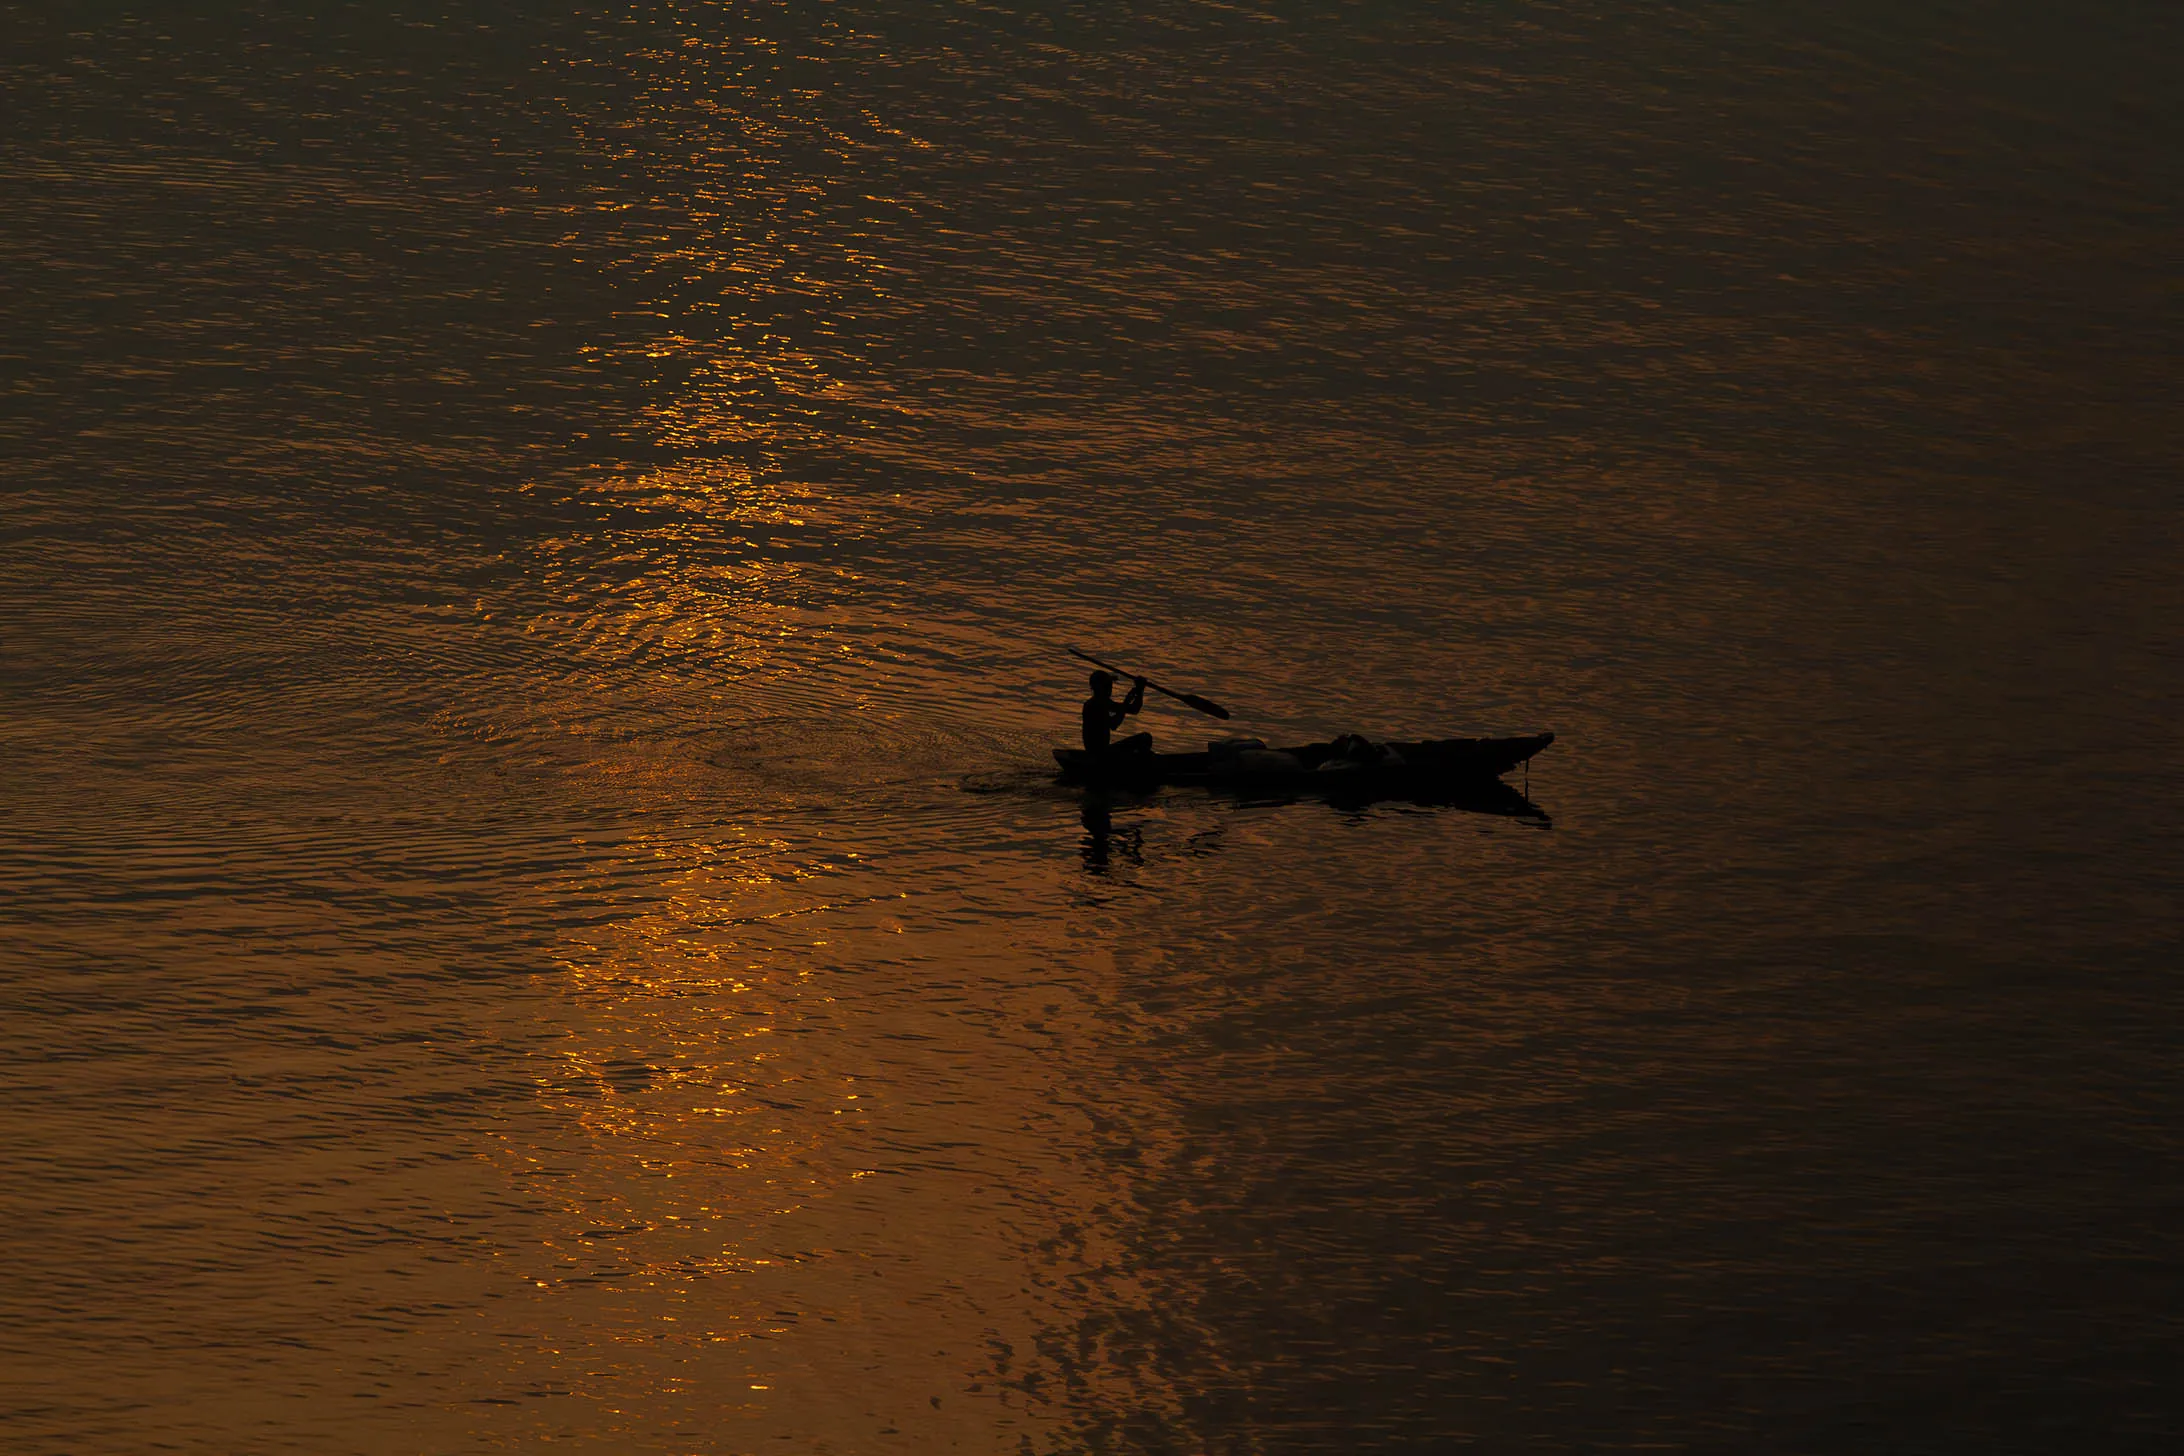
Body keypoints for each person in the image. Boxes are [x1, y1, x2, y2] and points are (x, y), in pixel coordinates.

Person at [1081, 670, 1153, 762]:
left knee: (1144, 739)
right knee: (1144, 737)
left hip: (1103, 752)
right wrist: (1126, 702)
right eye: (1108, 686)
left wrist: (1139, 691)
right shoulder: (1093, 706)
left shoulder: (1104, 702)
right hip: (1099, 755)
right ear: (1101, 688)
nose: (1111, 689)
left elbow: (1134, 710)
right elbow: (1114, 724)